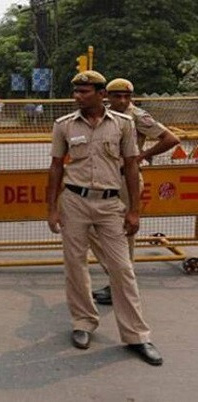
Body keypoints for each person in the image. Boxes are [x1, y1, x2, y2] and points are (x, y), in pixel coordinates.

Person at [47, 70, 162, 366]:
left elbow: (132, 166)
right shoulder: (64, 126)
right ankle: (83, 322)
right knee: (75, 265)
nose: (78, 96)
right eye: (76, 91)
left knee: (122, 268)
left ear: (100, 95)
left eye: (84, 92)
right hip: (74, 201)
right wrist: (52, 207)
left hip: (111, 204)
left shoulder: (123, 125)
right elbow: (56, 167)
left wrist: (134, 210)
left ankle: (137, 335)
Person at [89, 78, 180, 305]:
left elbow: (170, 138)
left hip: (125, 181)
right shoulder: (104, 114)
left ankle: (121, 286)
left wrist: (141, 156)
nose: (122, 100)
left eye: (127, 96)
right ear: (106, 96)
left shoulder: (137, 116)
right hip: (103, 181)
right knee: (92, 228)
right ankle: (118, 280)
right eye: (117, 96)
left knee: (125, 234)